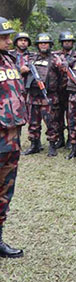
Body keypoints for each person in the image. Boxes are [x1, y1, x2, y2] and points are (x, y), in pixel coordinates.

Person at [0, 17, 28, 258]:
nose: (10, 41)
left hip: (12, 137)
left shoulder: (11, 60)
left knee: (5, 191)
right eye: (5, 37)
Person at [20, 33, 64, 156]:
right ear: (37, 45)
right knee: (33, 123)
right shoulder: (32, 58)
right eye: (41, 43)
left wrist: (56, 90)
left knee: (51, 122)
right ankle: (34, 144)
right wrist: (23, 69)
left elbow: (63, 77)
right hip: (33, 96)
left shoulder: (56, 60)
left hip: (48, 96)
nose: (43, 45)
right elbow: (22, 71)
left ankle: (52, 145)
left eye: (46, 43)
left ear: (50, 44)